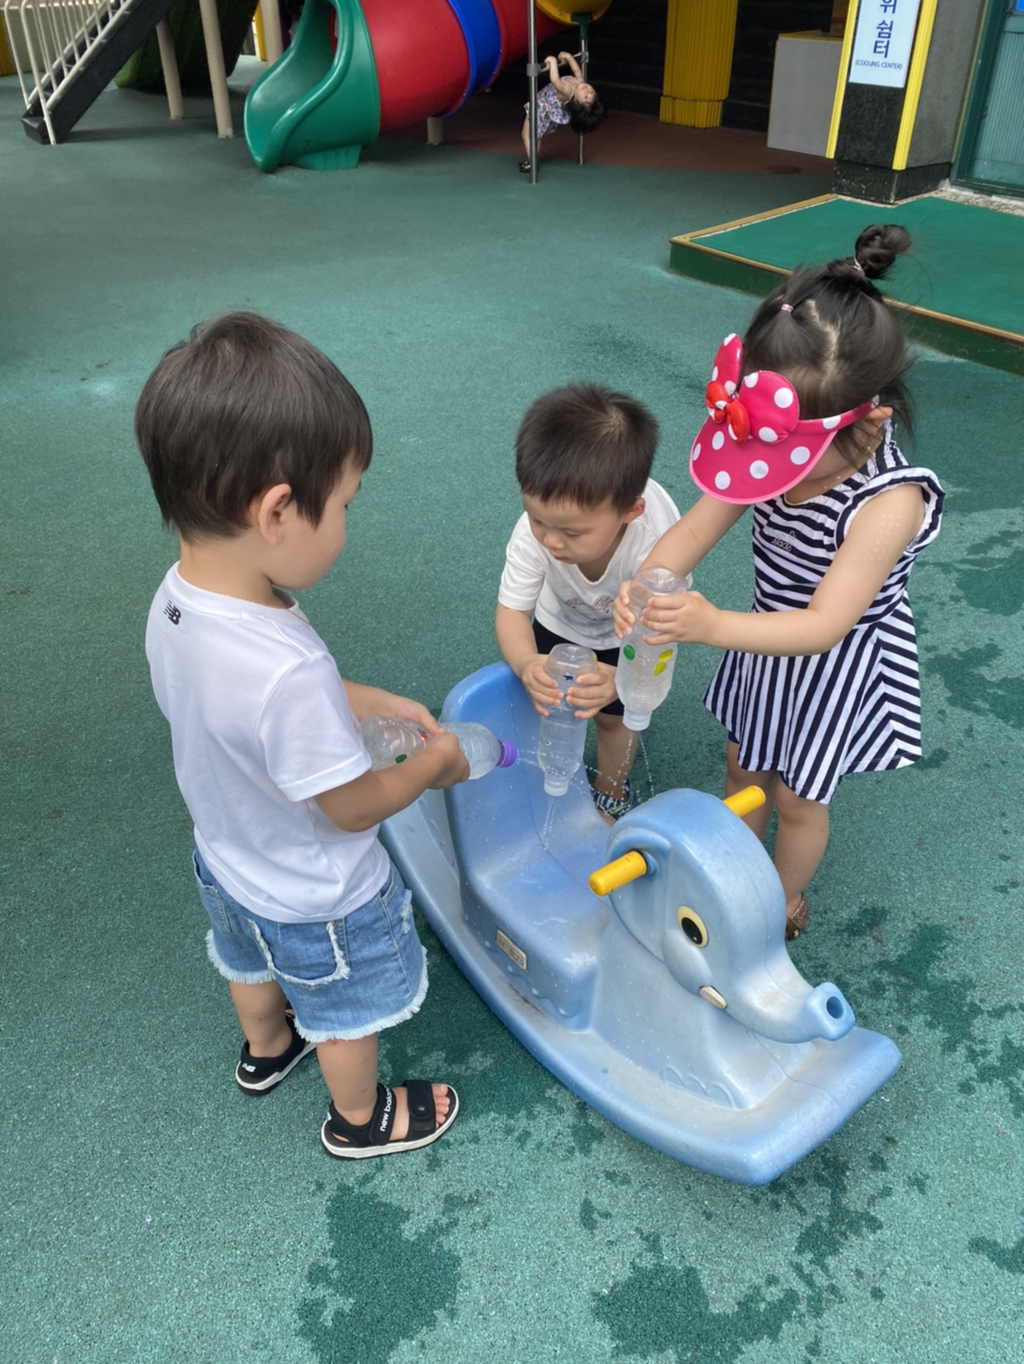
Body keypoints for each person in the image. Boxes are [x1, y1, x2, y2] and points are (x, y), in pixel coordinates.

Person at [138, 312, 468, 1159]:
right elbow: (350, 808)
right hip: (319, 898)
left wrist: (363, 699)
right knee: (345, 1012)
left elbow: (236, 710)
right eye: (345, 504)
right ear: (278, 510)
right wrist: (433, 762)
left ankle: (266, 1048)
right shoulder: (286, 670)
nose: (347, 521)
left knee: (249, 963)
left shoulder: (177, 600)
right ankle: (360, 1119)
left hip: (227, 860)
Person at [614, 225, 943, 938]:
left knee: (798, 798)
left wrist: (710, 625)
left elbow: (825, 625)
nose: (771, 462)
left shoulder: (890, 503)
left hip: (836, 663)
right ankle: (738, 875)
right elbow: (695, 527)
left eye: (793, 450)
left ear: (871, 421)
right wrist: (647, 580)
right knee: (742, 767)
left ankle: (780, 899)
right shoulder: (767, 447)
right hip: (764, 638)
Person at [496, 382, 682, 821]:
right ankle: (551, 770)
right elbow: (512, 612)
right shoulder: (533, 535)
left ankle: (611, 788)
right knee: (553, 702)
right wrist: (527, 663)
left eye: (571, 532)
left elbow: (662, 633)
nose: (551, 541)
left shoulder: (658, 544)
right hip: (559, 620)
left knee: (613, 719)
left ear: (630, 511)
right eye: (537, 519)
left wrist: (622, 680)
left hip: (628, 635)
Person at [519, 51, 606, 173]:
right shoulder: (579, 84)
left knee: (527, 135)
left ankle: (532, 163)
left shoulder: (568, 91)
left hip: (540, 109)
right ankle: (532, 159)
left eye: (585, 97)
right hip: (543, 108)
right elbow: (576, 71)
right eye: (591, 92)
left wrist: (553, 62)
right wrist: (569, 58)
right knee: (535, 136)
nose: (587, 91)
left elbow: (555, 81)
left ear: (575, 101)